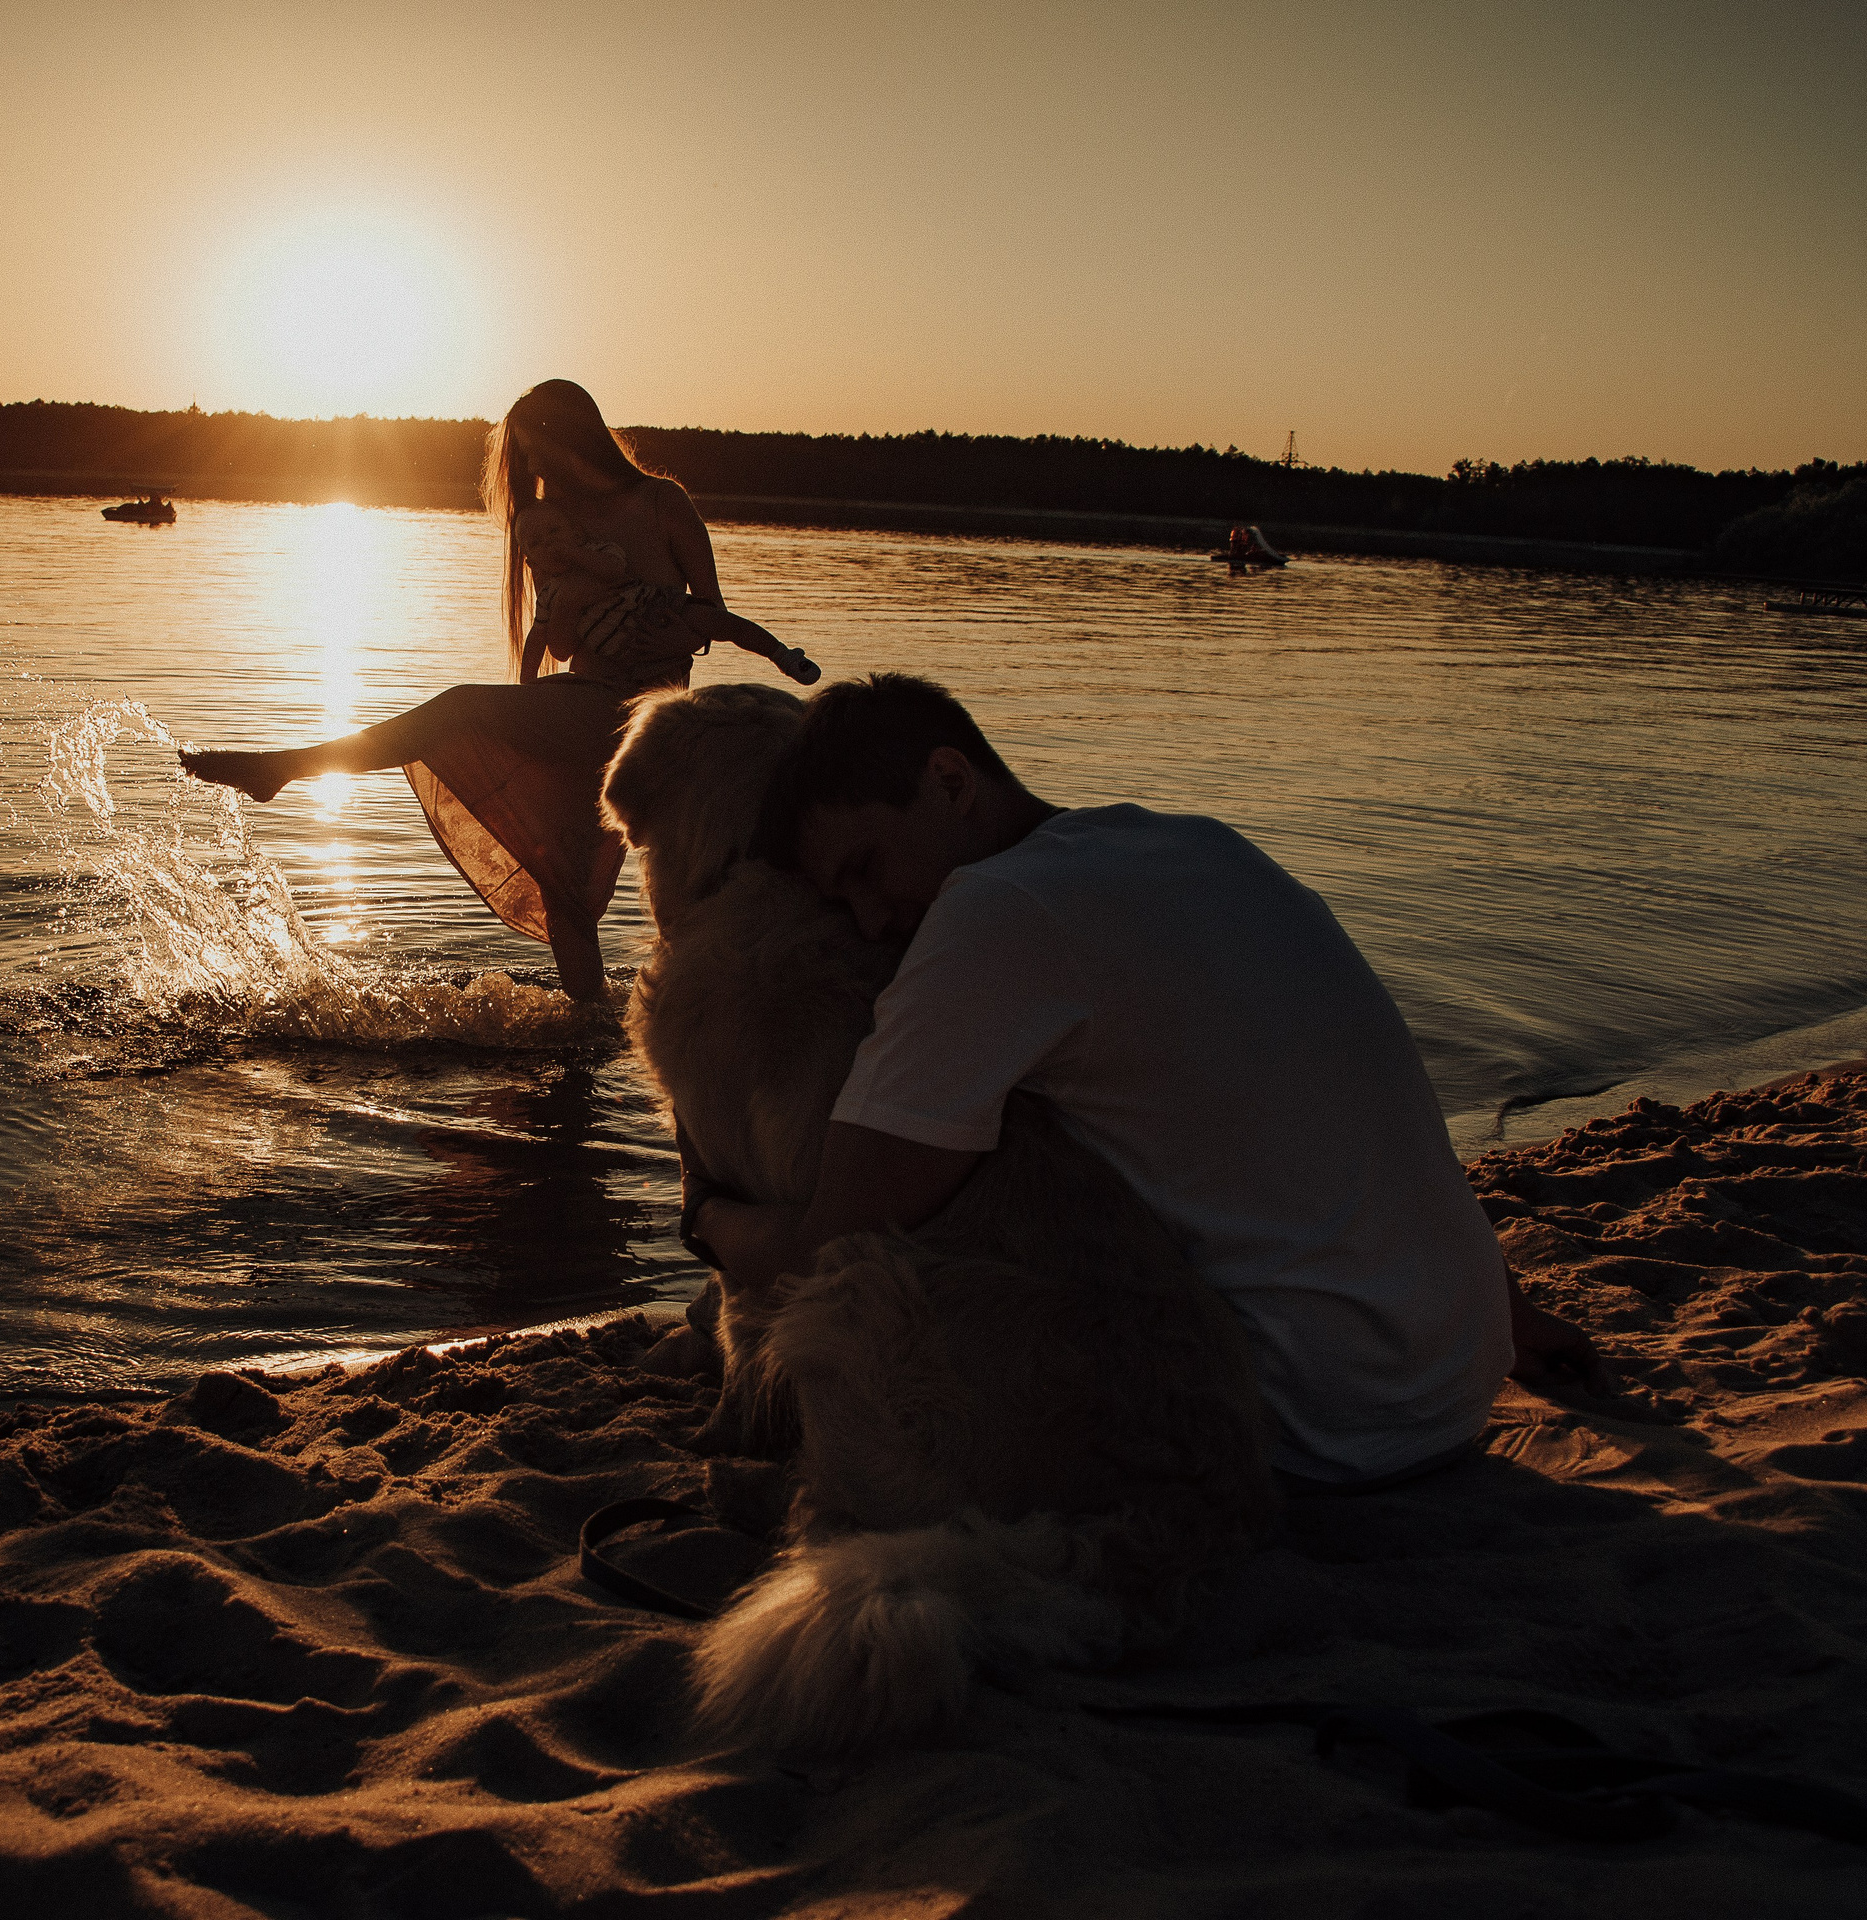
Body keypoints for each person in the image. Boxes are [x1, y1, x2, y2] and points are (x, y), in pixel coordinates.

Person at [688, 672, 1600, 1492]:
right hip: (1457, 1370)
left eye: (867, 870)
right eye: (840, 902)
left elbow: (836, 1241)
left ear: (952, 782)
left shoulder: (995, 914)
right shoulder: (1202, 847)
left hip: (1316, 1421)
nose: (872, 919)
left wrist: (706, 1219)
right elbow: (1346, 1105)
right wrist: (1508, 1314)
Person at [180, 380, 814, 1002]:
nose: (530, 465)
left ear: (569, 439)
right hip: (583, 701)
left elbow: (712, 610)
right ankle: (587, 1036)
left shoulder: (662, 504)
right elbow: (560, 647)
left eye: (533, 449)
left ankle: (288, 768)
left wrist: (664, 627)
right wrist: (567, 617)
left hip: (647, 714)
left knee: (459, 709)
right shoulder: (552, 525)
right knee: (564, 889)